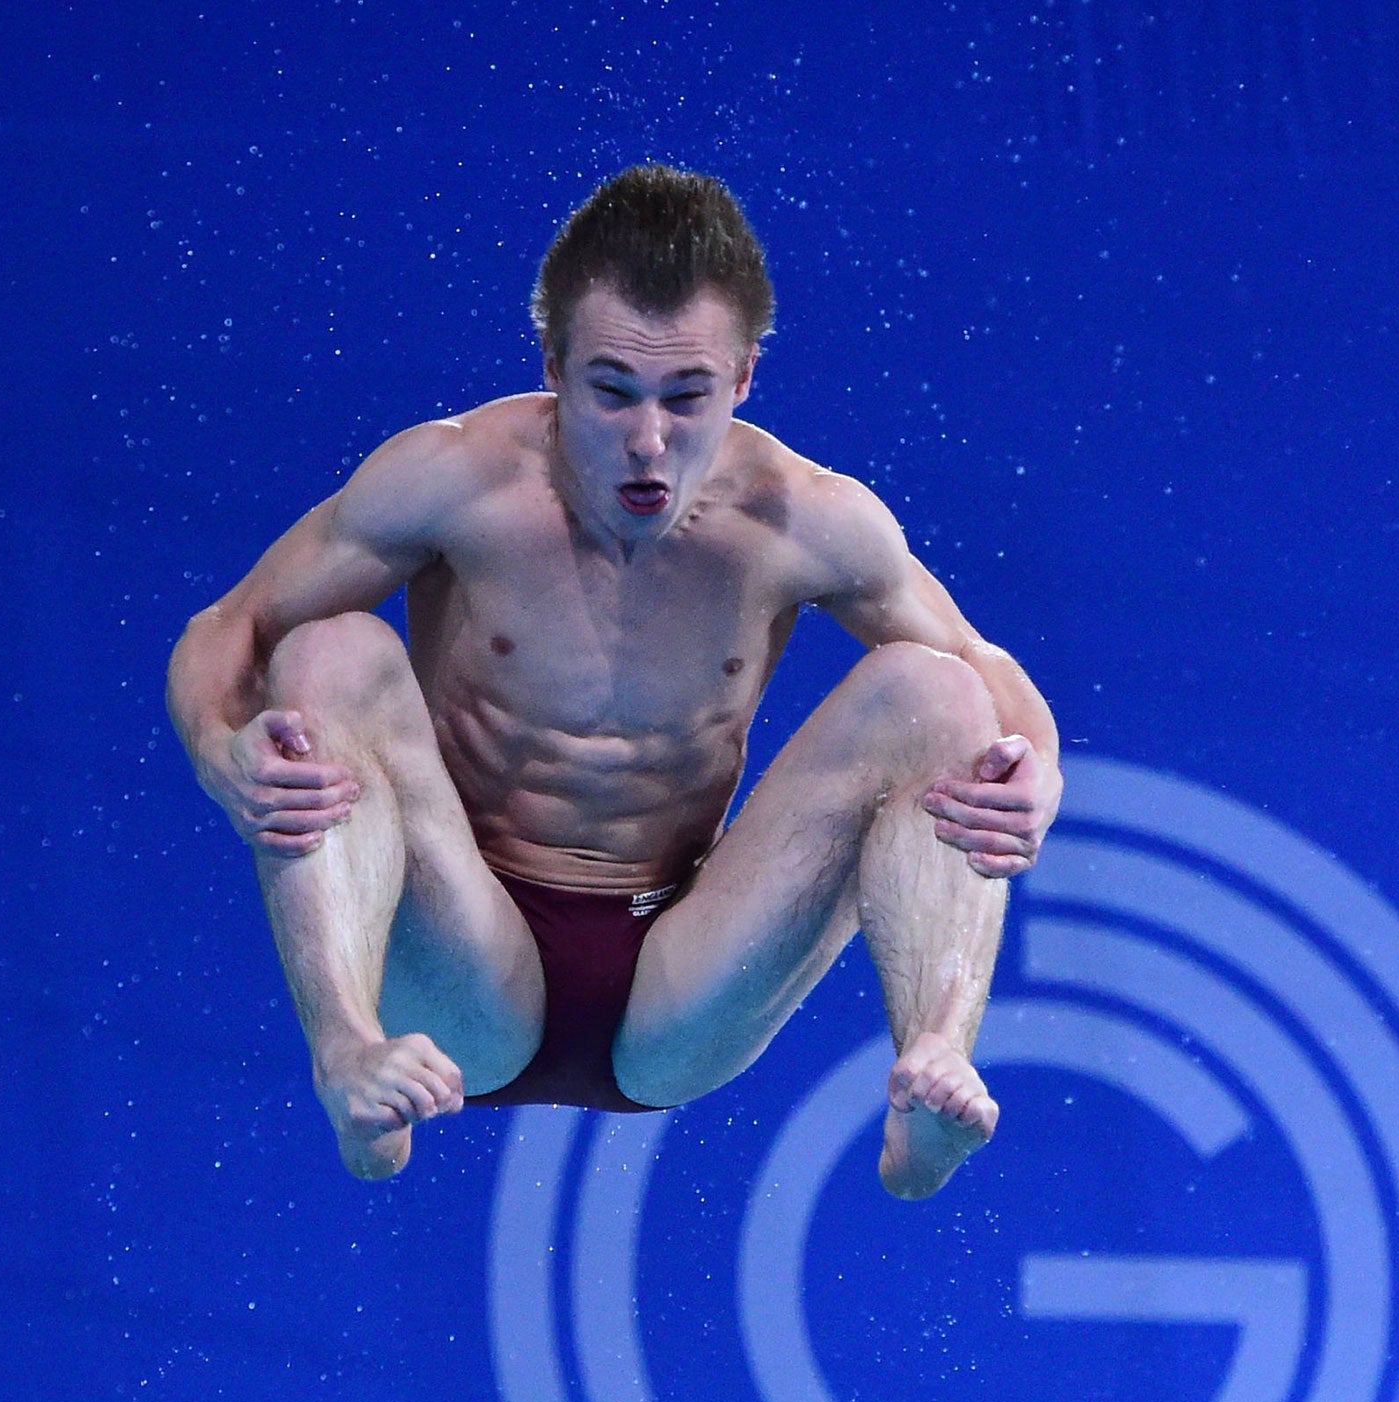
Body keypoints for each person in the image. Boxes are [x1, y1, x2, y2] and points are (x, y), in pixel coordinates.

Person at [166, 164, 1060, 1195]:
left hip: (681, 989)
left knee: (939, 695)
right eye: (610, 393)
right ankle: (349, 1058)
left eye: (687, 398)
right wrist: (218, 755)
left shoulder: (803, 518)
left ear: (744, 379)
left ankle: (931, 1065)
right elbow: (225, 628)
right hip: (459, 960)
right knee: (328, 651)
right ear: (551, 365)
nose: (647, 442)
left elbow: (986, 665)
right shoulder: (452, 479)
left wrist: (1039, 772)